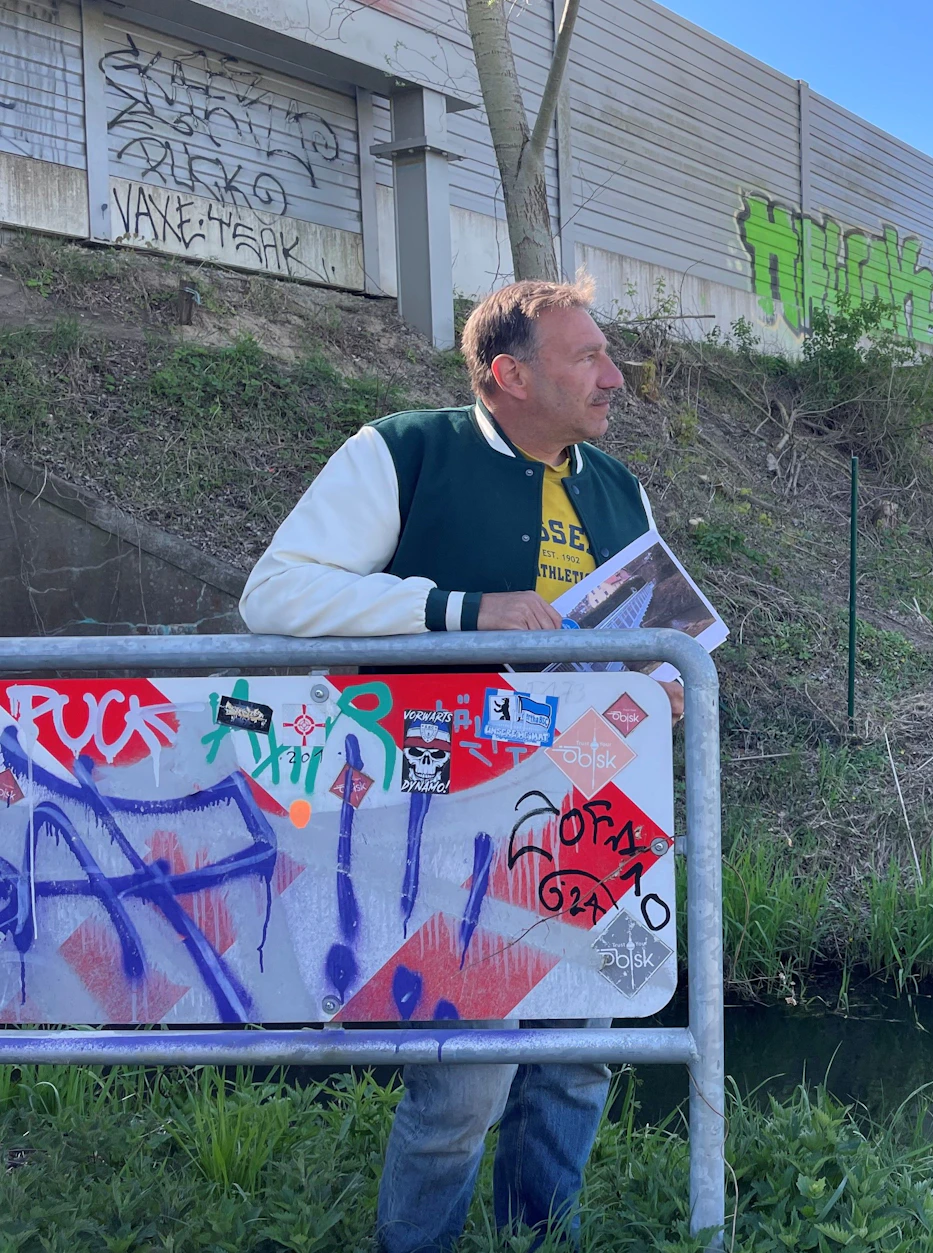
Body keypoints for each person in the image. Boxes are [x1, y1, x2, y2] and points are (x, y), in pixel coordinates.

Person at [241, 276, 669, 1252]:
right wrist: (456, 610)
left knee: (577, 1058)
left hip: (592, 797)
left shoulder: (616, 485)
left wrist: (658, 683)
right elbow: (273, 593)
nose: (613, 377)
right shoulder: (404, 450)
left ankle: (537, 1237)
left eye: (606, 355)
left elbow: (640, 636)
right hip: (449, 815)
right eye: (587, 358)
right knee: (462, 1082)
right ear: (507, 373)